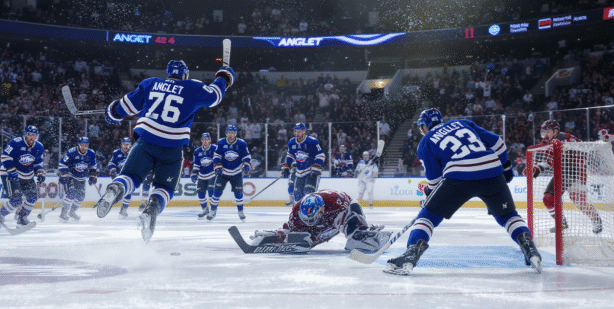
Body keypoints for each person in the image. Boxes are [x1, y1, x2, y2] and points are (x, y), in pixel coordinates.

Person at [385, 108, 540, 275]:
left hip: (459, 176)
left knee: (428, 216)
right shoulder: (463, 123)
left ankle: (410, 255)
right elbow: (499, 144)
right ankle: (530, 249)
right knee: (508, 215)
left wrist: (429, 195)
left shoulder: (426, 142)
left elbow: (434, 181)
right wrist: (506, 167)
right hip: (492, 171)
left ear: (424, 127)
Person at [96, 60, 234, 242]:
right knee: (165, 188)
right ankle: (152, 208)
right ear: (184, 74)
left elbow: (125, 107)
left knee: (130, 176)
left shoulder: (150, 83)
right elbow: (215, 96)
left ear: (167, 73)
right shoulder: (192, 87)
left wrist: (112, 112)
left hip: (146, 142)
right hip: (173, 148)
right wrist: (223, 77)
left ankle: (117, 187)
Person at [524, 120, 603, 234]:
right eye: (543, 131)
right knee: (548, 199)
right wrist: (538, 168)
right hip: (561, 173)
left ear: (556, 131)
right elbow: (549, 161)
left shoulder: (565, 137)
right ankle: (561, 222)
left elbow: (583, 149)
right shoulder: (546, 143)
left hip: (576, 172)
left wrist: (591, 164)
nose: (545, 134)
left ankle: (596, 220)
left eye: (548, 131)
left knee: (579, 201)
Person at [249, 190, 388, 252]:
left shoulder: (336, 202)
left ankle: (361, 234)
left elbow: (353, 205)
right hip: (321, 224)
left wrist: (360, 226)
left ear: (321, 210)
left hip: (336, 218)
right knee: (305, 239)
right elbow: (290, 227)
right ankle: (270, 236)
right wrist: (280, 234)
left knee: (353, 220)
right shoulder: (296, 212)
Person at [0, 125, 46, 229]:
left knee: (32, 197)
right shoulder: (16, 142)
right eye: (29, 134)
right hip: (10, 174)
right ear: (25, 135)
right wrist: (11, 171)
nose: (31, 137)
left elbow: (38, 164)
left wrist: (40, 172)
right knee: (17, 200)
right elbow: (5, 157)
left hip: (27, 176)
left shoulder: (39, 147)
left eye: (34, 135)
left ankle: (22, 218)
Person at [207, 125, 251, 221]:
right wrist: (217, 165)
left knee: (238, 194)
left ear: (235, 134)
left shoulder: (241, 143)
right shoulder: (221, 142)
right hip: (223, 173)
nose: (230, 135)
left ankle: (240, 211)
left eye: (232, 133)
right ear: (226, 133)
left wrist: (246, 164)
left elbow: (246, 156)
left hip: (237, 173)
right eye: (228, 133)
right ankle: (213, 211)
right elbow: (217, 155)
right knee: (217, 193)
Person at [282, 123, 325, 206]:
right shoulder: (291, 142)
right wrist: (287, 165)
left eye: (299, 131)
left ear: (304, 132)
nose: (297, 133)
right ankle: (298, 216)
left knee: (309, 193)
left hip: (311, 172)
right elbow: (290, 155)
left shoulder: (312, 142)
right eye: (296, 131)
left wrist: (317, 166)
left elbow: (320, 155)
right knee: (297, 195)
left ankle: (311, 214)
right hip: (299, 172)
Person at [57, 136, 97, 222]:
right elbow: (63, 163)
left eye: (86, 145)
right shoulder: (72, 152)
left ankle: (72, 212)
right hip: (71, 176)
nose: (84, 147)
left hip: (82, 177)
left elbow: (92, 166)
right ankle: (63, 214)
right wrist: (63, 174)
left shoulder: (91, 153)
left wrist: (92, 176)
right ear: (79, 144)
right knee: (71, 193)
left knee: (81, 197)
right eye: (82, 145)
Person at [107, 137, 136, 218]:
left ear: (130, 145)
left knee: (128, 194)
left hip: (129, 177)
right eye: (124, 144)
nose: (126, 146)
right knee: (119, 191)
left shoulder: (134, 152)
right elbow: (111, 162)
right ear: (122, 144)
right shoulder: (117, 153)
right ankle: (109, 200)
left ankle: (123, 210)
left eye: (128, 145)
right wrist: (112, 168)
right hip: (119, 176)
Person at [192, 133, 217, 219]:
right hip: (202, 176)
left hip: (212, 174)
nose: (205, 141)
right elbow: (196, 163)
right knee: (200, 193)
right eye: (203, 139)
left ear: (209, 140)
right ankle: (204, 209)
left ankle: (213, 210)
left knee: (211, 192)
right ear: (201, 140)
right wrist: (194, 173)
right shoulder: (197, 151)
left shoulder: (214, 148)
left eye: (207, 139)